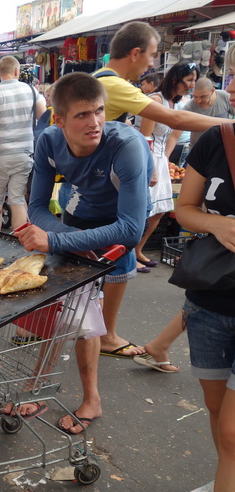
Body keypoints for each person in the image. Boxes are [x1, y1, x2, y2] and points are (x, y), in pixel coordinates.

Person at [17, 72, 152, 431]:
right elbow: (38, 209)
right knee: (67, 302)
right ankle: (38, 386)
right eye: (82, 115)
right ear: (59, 119)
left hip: (120, 225)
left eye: (99, 111)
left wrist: (57, 241)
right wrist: (65, 236)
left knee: (93, 317)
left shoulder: (126, 145)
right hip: (79, 215)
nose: (94, 123)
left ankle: (91, 398)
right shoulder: (48, 140)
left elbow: (131, 229)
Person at [91, 20, 234, 360]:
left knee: (94, 263)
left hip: (95, 185)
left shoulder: (100, 81)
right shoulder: (114, 85)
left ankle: (91, 332)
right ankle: (105, 336)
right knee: (118, 258)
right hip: (104, 190)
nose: (153, 64)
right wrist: (230, 127)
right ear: (136, 53)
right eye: (153, 55)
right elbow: (178, 122)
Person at [174, 74, 235, 492]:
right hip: (210, 303)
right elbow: (185, 209)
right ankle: (225, 483)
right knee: (218, 415)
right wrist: (219, 226)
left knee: (233, 431)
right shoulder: (218, 139)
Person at [134, 61, 199, 274]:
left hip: (159, 160)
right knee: (140, 211)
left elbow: (172, 136)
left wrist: (166, 161)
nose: (192, 85)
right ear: (175, 79)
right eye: (189, 80)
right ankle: (128, 256)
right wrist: (152, 168)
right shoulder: (155, 100)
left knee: (159, 211)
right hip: (146, 159)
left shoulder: (171, 102)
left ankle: (138, 250)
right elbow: (145, 138)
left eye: (194, 81)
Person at [0, 55, 46, 232]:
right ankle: (19, 243)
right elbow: (45, 119)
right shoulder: (32, 92)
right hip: (23, 154)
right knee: (16, 198)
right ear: (16, 71)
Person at [167, 77, 235, 152]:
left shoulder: (225, 97)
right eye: (195, 96)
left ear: (212, 91)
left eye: (203, 96)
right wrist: (166, 156)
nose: (198, 101)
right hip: (198, 151)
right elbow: (174, 135)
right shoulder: (190, 106)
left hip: (222, 150)